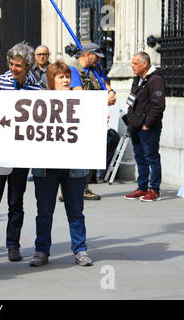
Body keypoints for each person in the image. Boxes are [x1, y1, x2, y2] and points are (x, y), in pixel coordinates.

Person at [0, 42, 42, 263]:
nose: (14, 69)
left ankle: (13, 245)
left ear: (28, 66)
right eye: (12, 64)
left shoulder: (37, 88)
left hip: (21, 150)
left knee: (16, 201)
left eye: (19, 66)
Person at [29, 61, 93, 268]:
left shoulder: (81, 101)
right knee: (44, 211)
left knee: (75, 211)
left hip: (74, 167)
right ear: (51, 80)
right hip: (46, 166)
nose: (66, 80)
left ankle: (80, 250)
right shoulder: (39, 101)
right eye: (61, 77)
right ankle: (41, 250)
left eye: (68, 77)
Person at [69, 42, 117, 201]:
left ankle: (82, 187)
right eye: (96, 56)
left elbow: (104, 82)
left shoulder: (96, 69)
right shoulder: (73, 69)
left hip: (94, 117)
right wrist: (104, 101)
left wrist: (110, 93)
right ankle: (74, 189)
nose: (98, 60)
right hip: (79, 118)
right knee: (78, 155)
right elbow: (78, 94)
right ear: (87, 55)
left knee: (88, 154)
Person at [124, 52, 165, 202]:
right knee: (140, 158)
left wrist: (147, 124)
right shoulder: (138, 79)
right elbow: (132, 100)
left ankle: (154, 190)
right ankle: (142, 188)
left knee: (151, 158)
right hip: (135, 125)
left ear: (144, 64)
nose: (132, 66)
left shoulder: (155, 79)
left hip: (148, 128)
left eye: (135, 64)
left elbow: (158, 105)